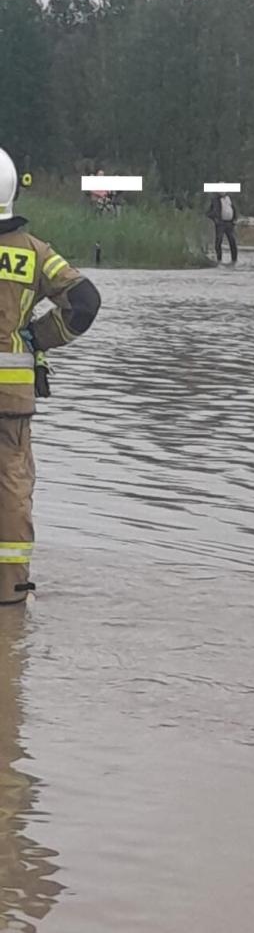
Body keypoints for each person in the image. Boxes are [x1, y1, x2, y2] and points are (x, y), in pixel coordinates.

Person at [0, 148, 101, 606]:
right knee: (10, 489)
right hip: (11, 401)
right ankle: (9, 598)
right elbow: (85, 302)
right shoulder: (35, 253)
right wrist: (36, 337)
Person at [206, 191, 238, 263]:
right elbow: (209, 212)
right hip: (221, 224)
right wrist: (215, 219)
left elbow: (234, 209)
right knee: (218, 241)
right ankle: (219, 259)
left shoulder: (229, 198)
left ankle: (234, 259)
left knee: (232, 241)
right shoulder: (215, 200)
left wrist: (235, 219)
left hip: (230, 223)